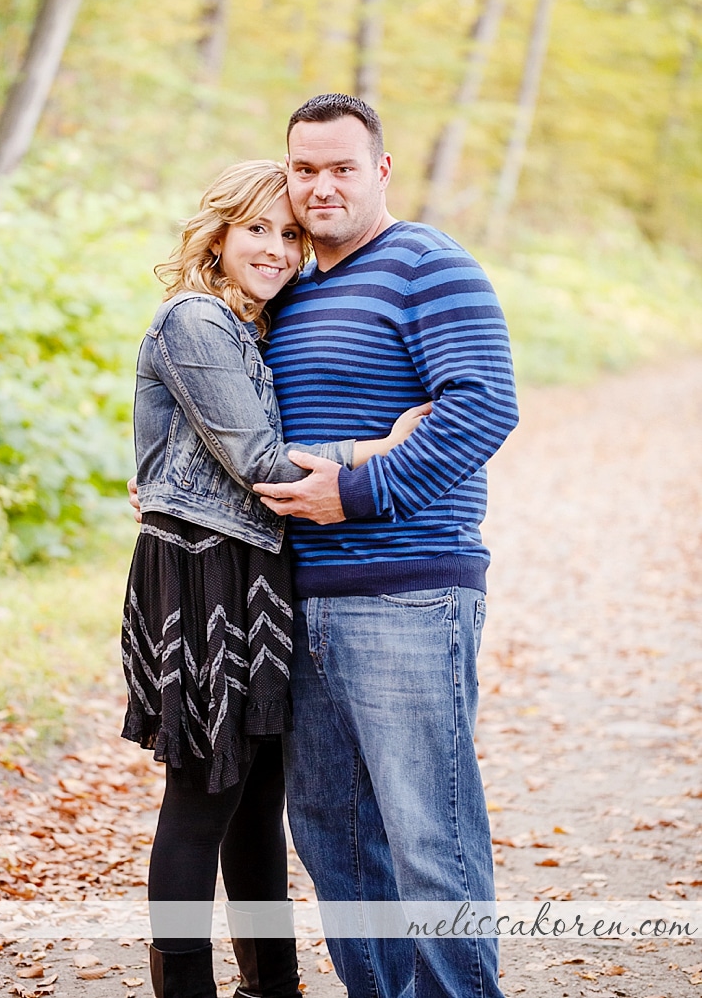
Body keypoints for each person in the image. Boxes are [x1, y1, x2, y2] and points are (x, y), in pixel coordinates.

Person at [121, 158, 430, 998]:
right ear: (217, 233)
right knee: (202, 794)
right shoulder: (194, 320)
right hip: (199, 572)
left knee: (256, 797)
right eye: (257, 228)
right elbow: (258, 460)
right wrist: (375, 448)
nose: (276, 247)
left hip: (252, 567)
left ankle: (272, 984)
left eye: (289, 233)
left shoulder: (251, 326)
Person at [250, 94, 520, 998]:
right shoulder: (285, 288)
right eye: (305, 169)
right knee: (331, 832)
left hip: (407, 591)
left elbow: (484, 405)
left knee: (426, 835)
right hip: (297, 598)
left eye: (341, 168)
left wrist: (355, 491)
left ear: (382, 171)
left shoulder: (427, 265)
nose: (320, 186)